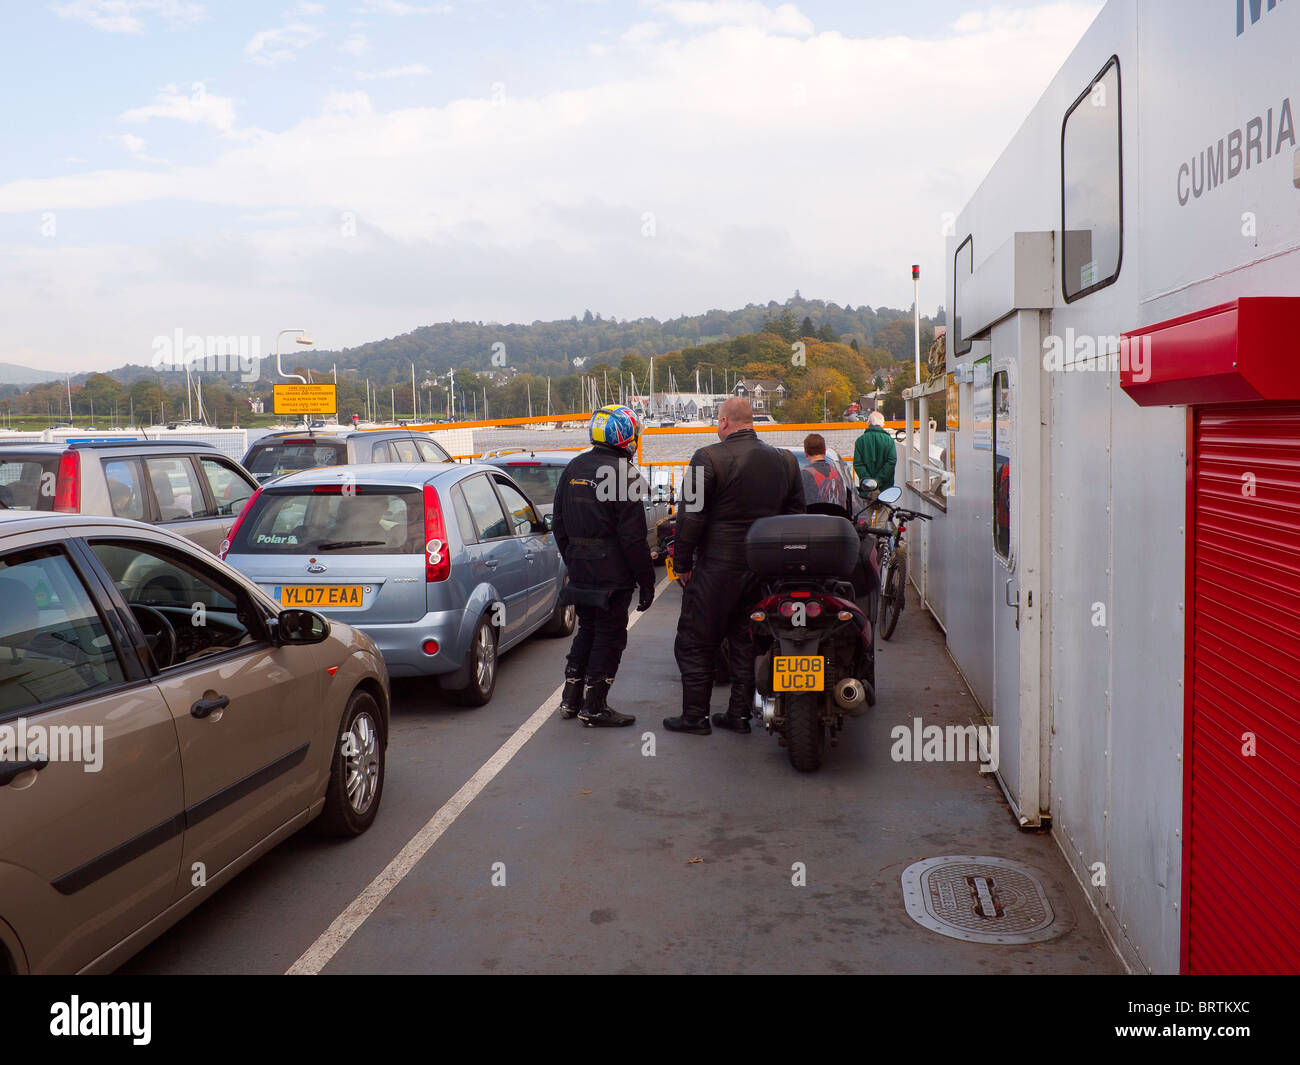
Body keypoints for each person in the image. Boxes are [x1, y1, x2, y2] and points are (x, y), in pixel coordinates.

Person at [665, 397, 804, 736]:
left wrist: (682, 562)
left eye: (717, 419)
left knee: (696, 641)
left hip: (717, 566)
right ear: (751, 421)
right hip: (763, 569)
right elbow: (795, 514)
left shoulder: (707, 457)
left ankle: (695, 717)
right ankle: (739, 715)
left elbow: (690, 516)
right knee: (745, 641)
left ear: (724, 422)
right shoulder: (785, 461)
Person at [551, 404, 656, 728]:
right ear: (625, 436)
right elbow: (633, 538)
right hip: (613, 573)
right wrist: (646, 581)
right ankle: (594, 705)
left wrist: (574, 557)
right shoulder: (625, 475)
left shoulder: (573, 467)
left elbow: (559, 523)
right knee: (610, 636)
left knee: (588, 630)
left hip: (581, 568)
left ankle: (571, 698)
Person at [800, 433, 849, 512]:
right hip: (836, 520)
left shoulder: (804, 476)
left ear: (806, 453)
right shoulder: (837, 473)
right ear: (824, 451)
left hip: (815, 521)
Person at [853, 410, 897, 490]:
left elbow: (858, 463)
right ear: (882, 424)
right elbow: (891, 461)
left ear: (869, 422)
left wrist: (869, 482)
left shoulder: (860, 440)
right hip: (885, 488)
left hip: (866, 488)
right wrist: (878, 480)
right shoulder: (889, 440)